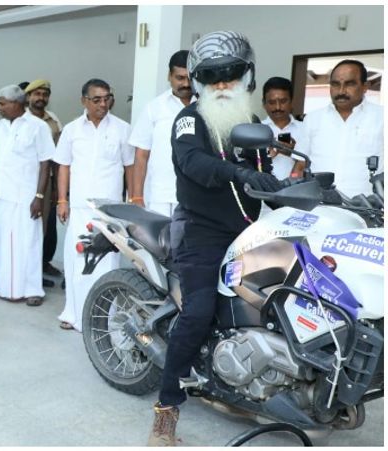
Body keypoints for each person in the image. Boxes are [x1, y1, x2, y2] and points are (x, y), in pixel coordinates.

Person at [147, 31, 282, 446]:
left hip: (248, 230)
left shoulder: (252, 123)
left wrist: (293, 190)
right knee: (199, 310)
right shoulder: (189, 119)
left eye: (231, 74)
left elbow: (263, 176)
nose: (222, 84)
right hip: (200, 231)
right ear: (199, 82)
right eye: (212, 76)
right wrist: (240, 173)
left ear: (247, 77)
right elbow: (194, 163)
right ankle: (166, 409)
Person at [54, 79, 134, 331]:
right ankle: (74, 314)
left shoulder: (122, 129)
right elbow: (63, 166)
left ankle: (103, 318)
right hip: (79, 207)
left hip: (109, 211)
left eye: (107, 98)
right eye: (97, 99)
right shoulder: (71, 130)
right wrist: (62, 200)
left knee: (107, 263)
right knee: (78, 260)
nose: (103, 104)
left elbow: (130, 167)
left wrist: (133, 200)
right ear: (84, 101)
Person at [0, 84, 55, 307]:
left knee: (28, 243)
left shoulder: (38, 127)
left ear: (17, 104)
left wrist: (39, 196)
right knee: (0, 243)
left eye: (3, 103)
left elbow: (45, 163)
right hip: (1, 194)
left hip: (25, 197)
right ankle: (0, 285)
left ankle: (32, 290)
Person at [296, 59, 383, 197]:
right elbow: (300, 165)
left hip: (368, 205)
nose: (341, 91)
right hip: (319, 203)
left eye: (350, 84)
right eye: (335, 84)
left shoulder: (382, 117)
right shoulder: (312, 119)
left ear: (365, 86)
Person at [128, 50, 194, 217]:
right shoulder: (154, 108)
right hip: (159, 195)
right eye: (180, 78)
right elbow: (141, 155)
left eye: (189, 78)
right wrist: (137, 196)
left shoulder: (205, 106)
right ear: (169, 76)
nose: (186, 84)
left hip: (196, 195)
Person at [24, 79, 64, 279]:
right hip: (24, 180)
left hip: (47, 180)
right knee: (26, 225)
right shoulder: (21, 119)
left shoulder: (53, 120)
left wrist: (57, 187)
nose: (41, 98)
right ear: (28, 96)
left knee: (47, 225)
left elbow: (59, 156)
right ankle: (27, 269)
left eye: (45, 94)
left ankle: (43, 263)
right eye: (37, 94)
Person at [260, 76, 306, 179]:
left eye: (283, 101)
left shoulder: (305, 129)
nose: (278, 107)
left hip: (296, 186)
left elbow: (311, 165)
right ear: (264, 104)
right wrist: (269, 153)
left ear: (292, 102)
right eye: (272, 102)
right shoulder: (256, 130)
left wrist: (293, 153)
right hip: (262, 187)